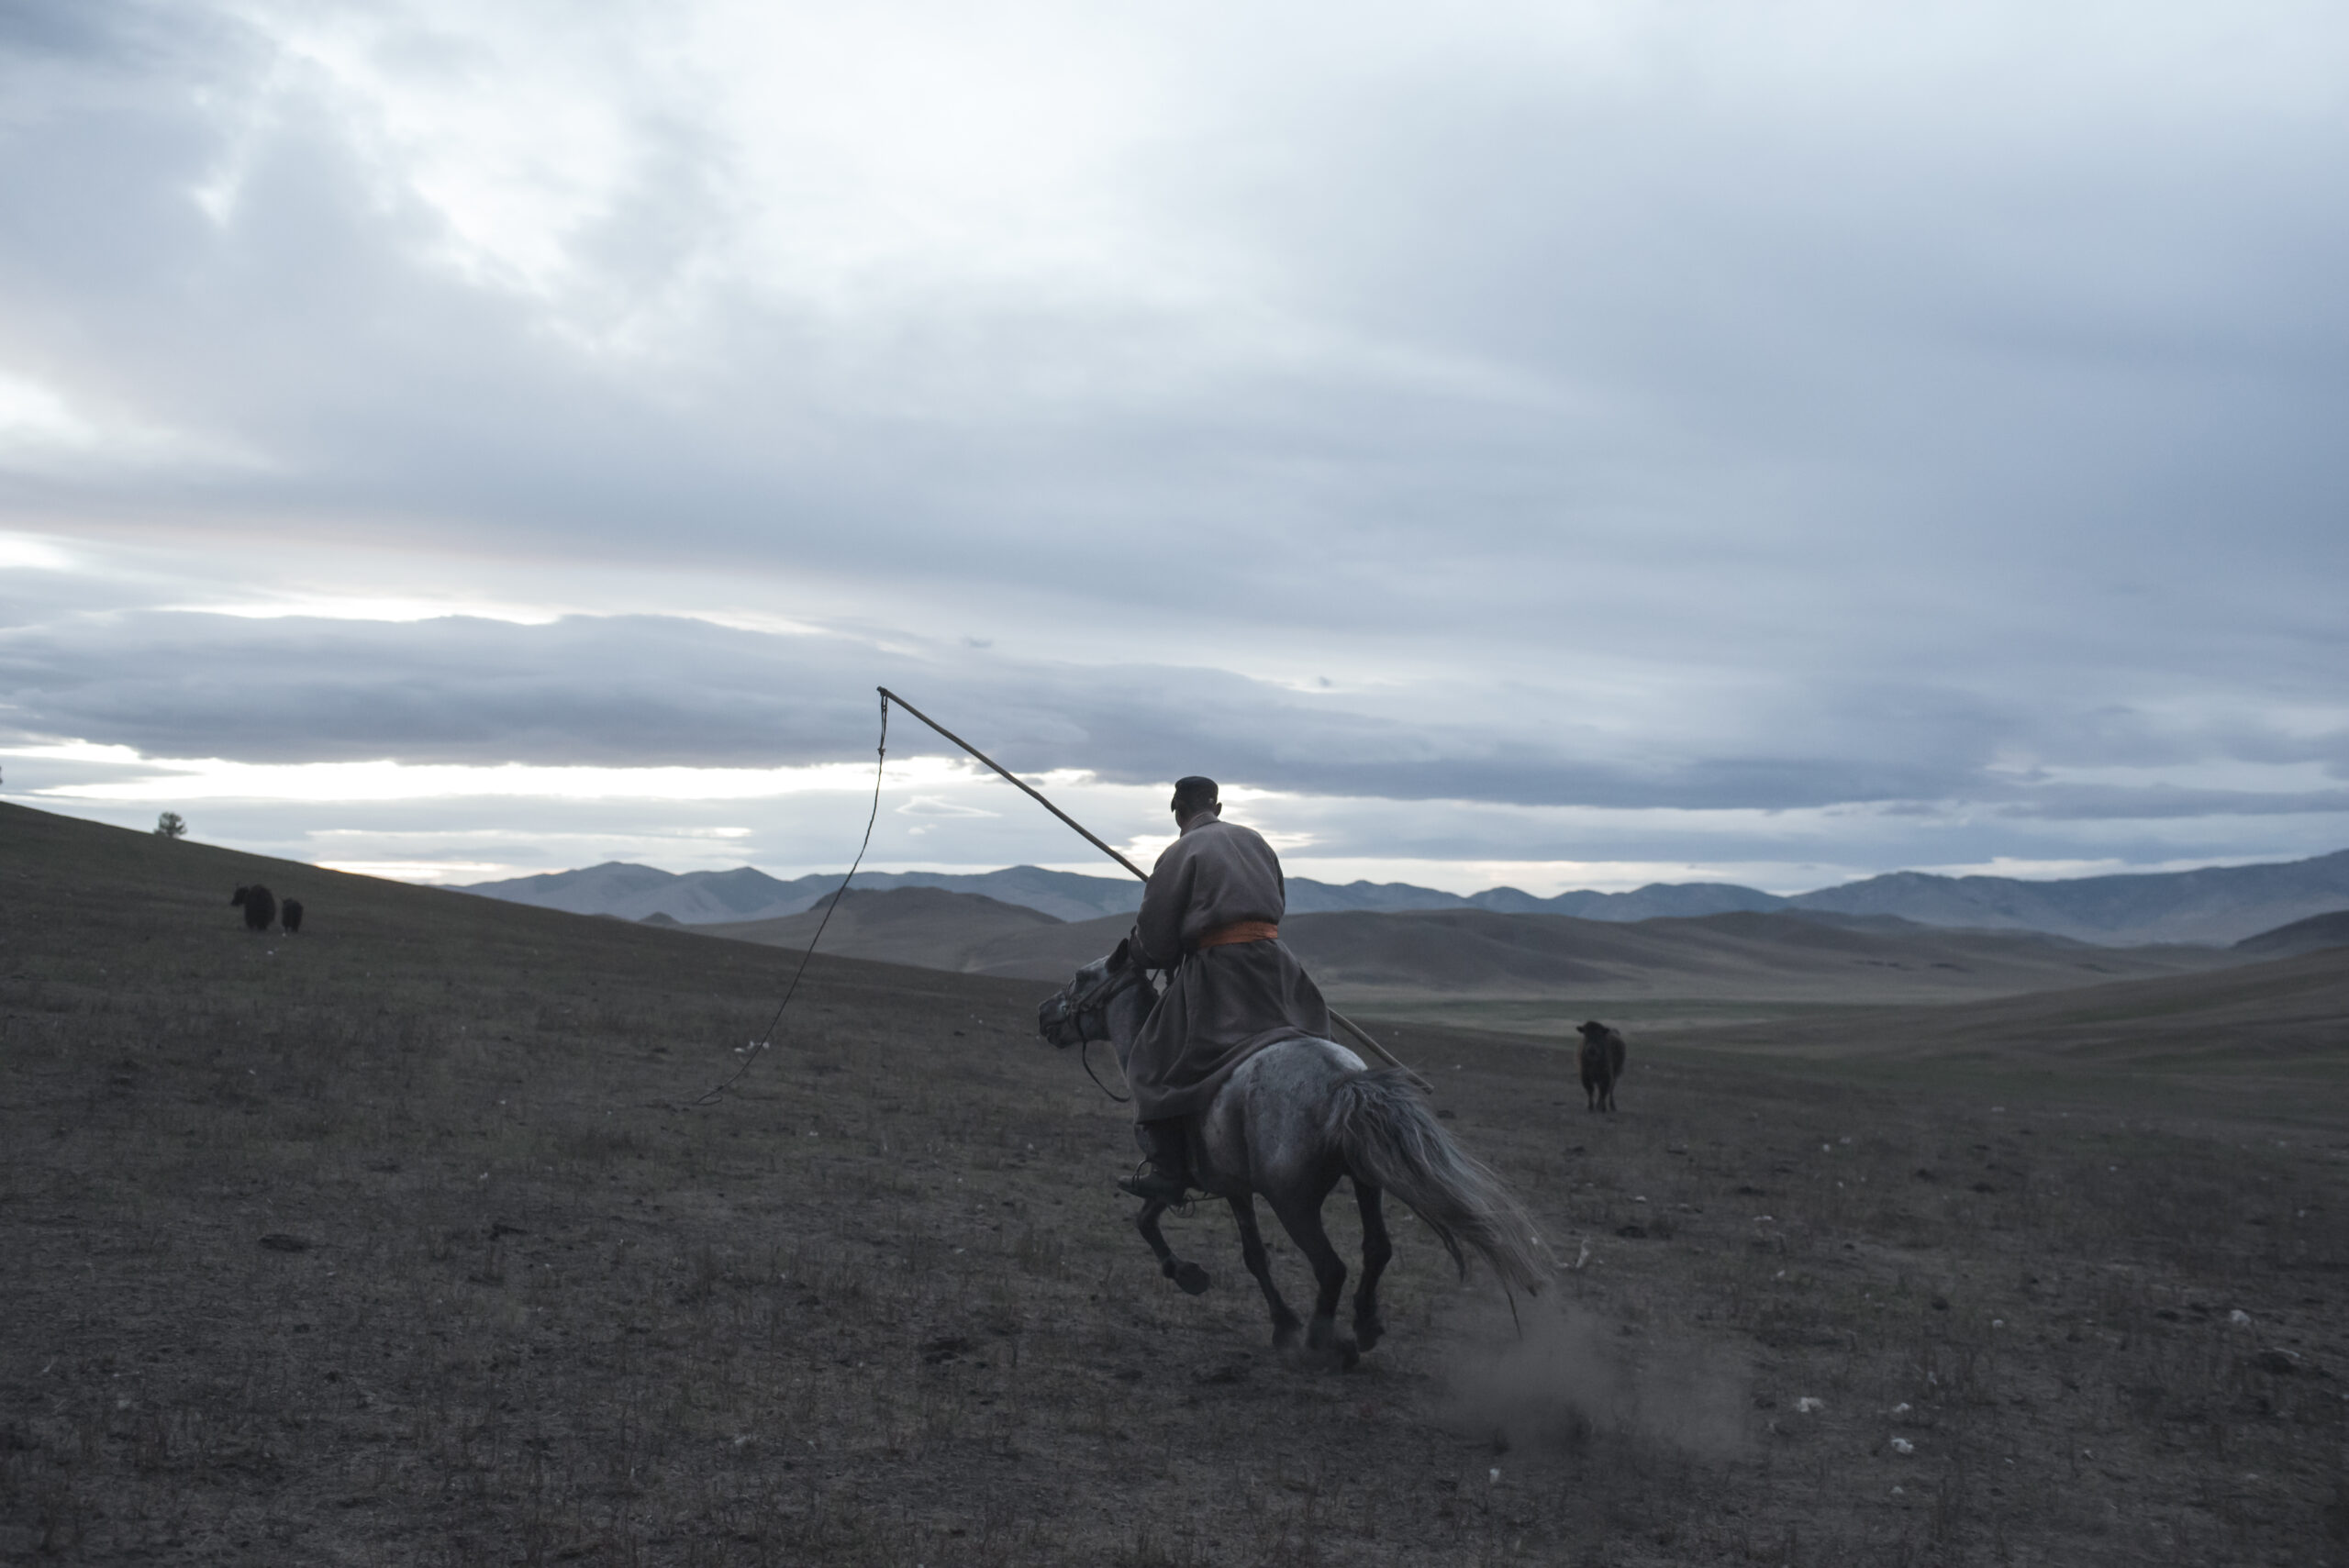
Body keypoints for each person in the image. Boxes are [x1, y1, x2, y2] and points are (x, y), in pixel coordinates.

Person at [1117, 775, 1333, 1202]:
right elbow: (1277, 906)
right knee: (1313, 1041)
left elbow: (1157, 942)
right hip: (1277, 968)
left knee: (1150, 1059)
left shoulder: (1179, 852)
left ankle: (1168, 1169)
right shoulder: (1257, 842)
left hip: (1220, 974)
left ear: (1177, 811)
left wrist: (1142, 953)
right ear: (1219, 806)